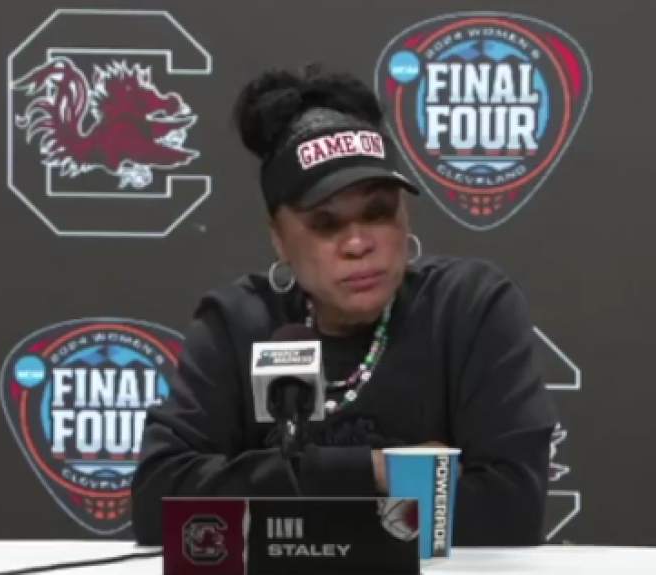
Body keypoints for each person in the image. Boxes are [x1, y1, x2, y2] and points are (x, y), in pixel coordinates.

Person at [130, 63, 558, 547]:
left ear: (404, 214)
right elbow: (158, 504)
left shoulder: (468, 307)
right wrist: (379, 469)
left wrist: (288, 507)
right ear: (279, 239)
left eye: (377, 213)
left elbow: (509, 510)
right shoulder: (238, 323)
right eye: (326, 224)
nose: (357, 243)